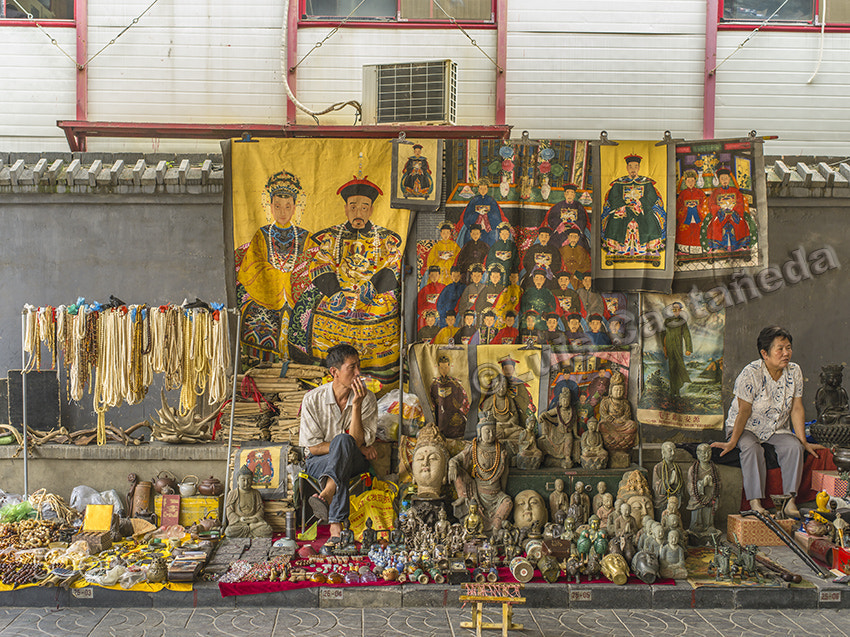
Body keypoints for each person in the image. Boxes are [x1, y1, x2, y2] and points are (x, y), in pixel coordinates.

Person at [293, 176, 401, 384]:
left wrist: (372, 287)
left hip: (372, 293)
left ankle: (382, 372)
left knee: (391, 308)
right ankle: (320, 369)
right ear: (345, 209)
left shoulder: (385, 238)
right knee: (306, 306)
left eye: (364, 208)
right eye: (353, 207)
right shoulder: (332, 236)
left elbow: (393, 263)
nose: (358, 213)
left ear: (371, 210)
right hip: (338, 292)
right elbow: (320, 262)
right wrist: (333, 292)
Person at [711, 326, 825, 517]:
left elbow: (796, 408)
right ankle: (755, 502)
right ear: (765, 353)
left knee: (794, 447)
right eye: (780, 349)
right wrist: (732, 441)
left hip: (775, 428)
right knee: (752, 447)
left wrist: (803, 440)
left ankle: (789, 501)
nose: (786, 353)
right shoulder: (751, 373)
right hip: (745, 426)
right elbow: (744, 412)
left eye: (788, 348)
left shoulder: (794, 371)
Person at [300, 344, 378, 544]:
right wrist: (350, 446)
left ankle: (326, 494)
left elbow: (357, 441)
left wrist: (357, 405)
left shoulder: (366, 398)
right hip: (318, 461)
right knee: (342, 446)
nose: (358, 373)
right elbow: (314, 448)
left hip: (355, 462)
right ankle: (336, 526)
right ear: (334, 372)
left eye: (358, 366)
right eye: (352, 368)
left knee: (344, 444)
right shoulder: (312, 399)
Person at [237, 170, 310, 356]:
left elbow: (310, 263)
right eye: (277, 206)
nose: (282, 212)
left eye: (287, 206)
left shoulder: (305, 236)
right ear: (270, 206)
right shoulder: (262, 234)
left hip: (296, 290)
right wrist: (278, 277)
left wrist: (292, 279)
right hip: (266, 291)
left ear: (295, 207)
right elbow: (252, 266)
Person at [601, 154, 665, 255]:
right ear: (627, 168)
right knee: (615, 219)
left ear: (639, 167)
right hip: (623, 208)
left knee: (650, 219)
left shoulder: (646, 182)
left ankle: (649, 248)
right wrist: (621, 206)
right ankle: (616, 248)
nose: (633, 169)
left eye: (635, 166)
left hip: (642, 208)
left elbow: (652, 196)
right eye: (630, 166)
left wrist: (641, 203)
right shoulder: (619, 183)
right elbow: (613, 196)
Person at [706, 167, 751, 252]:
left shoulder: (735, 191)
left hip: (734, 214)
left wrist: (734, 210)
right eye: (722, 178)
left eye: (726, 178)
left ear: (729, 179)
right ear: (719, 180)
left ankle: (740, 246)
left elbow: (740, 203)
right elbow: (711, 204)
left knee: (741, 224)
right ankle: (718, 247)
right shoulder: (715, 192)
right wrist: (720, 210)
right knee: (715, 225)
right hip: (721, 215)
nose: (724, 180)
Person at [224, 465, 273, 538]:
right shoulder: (233, 493)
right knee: (229, 531)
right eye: (243, 480)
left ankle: (249, 530)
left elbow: (260, 510)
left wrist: (255, 518)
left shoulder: (256, 493)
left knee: (267, 530)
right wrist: (239, 519)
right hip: (239, 523)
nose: (246, 483)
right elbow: (229, 511)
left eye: (249, 480)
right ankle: (250, 531)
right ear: (237, 481)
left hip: (254, 522)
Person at [430, 355, 469, 439]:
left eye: (446, 367)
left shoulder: (455, 383)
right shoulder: (434, 384)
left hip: (453, 413)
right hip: (439, 413)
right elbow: (431, 400)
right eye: (441, 367)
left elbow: (462, 399)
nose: (444, 370)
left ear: (449, 368)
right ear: (438, 368)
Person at [661, 302, 692, 397]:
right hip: (669, 347)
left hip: (678, 347)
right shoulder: (667, 321)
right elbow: (662, 334)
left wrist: (688, 348)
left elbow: (687, 335)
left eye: (677, 309)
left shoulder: (682, 321)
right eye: (674, 308)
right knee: (672, 368)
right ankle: (672, 391)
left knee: (679, 367)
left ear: (680, 310)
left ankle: (677, 390)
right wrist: (664, 348)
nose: (675, 310)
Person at [675, 168, 707, 255]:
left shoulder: (700, 192)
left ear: (695, 181)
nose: (690, 183)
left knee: (698, 231)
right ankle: (685, 250)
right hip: (686, 217)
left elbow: (705, 204)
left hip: (698, 216)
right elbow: (678, 207)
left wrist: (697, 207)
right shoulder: (682, 194)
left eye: (692, 180)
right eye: (688, 181)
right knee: (685, 232)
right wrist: (686, 208)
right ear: (685, 182)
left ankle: (699, 250)